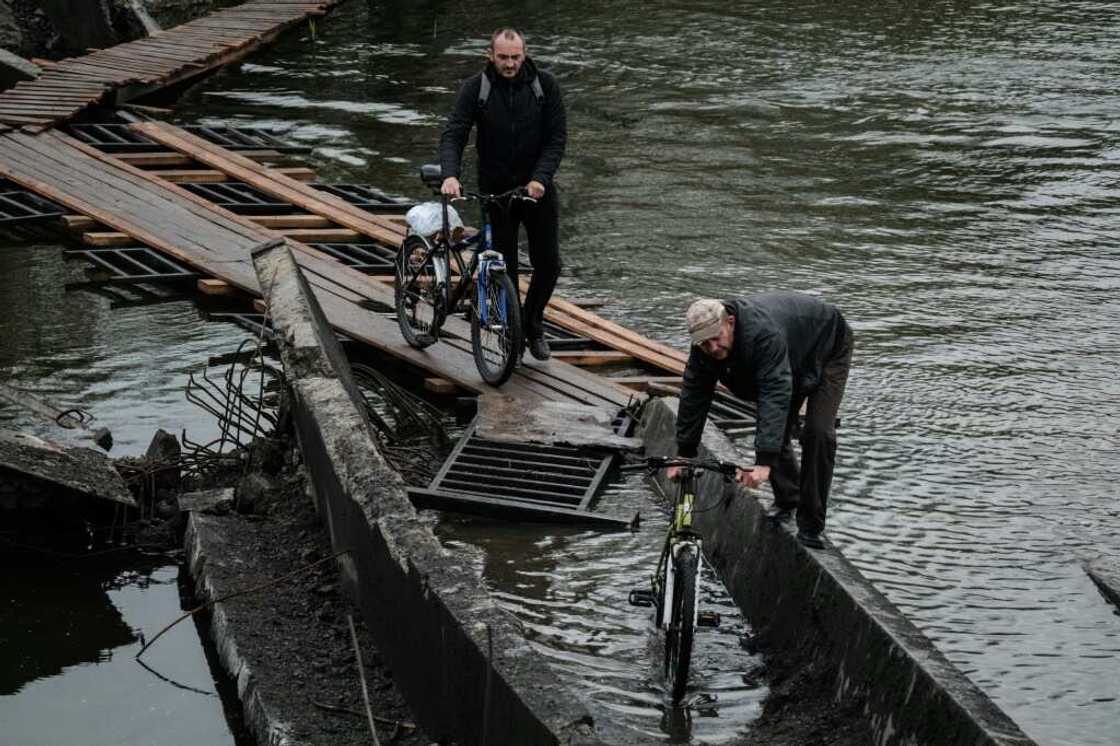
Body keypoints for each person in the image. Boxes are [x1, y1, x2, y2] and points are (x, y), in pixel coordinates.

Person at [671, 294, 853, 549]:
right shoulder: (704, 349)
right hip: (792, 352)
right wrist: (685, 452)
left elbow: (774, 394)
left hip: (828, 344)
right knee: (776, 426)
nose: (712, 348)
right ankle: (788, 499)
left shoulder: (762, 335)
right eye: (704, 343)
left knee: (818, 433)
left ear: (730, 322)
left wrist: (763, 462)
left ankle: (811, 524)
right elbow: (694, 393)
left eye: (717, 338)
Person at [439, 28, 567, 361]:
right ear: (490, 55)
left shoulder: (545, 86)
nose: (509, 64)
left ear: (524, 54)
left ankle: (533, 322)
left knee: (549, 263)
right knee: (504, 267)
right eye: (503, 57)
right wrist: (450, 174)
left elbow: (556, 139)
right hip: (496, 191)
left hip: (536, 189)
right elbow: (454, 133)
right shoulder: (475, 89)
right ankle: (511, 334)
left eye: (515, 57)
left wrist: (540, 178)